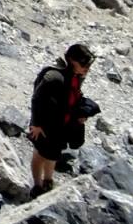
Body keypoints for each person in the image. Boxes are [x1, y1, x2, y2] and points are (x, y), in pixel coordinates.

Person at [28, 43, 96, 199]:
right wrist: (36, 124)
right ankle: (37, 186)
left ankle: (48, 180)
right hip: (44, 125)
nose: (87, 69)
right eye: (84, 64)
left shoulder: (76, 77)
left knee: (53, 153)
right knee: (40, 155)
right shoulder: (54, 77)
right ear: (72, 60)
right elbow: (37, 99)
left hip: (61, 124)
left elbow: (74, 95)